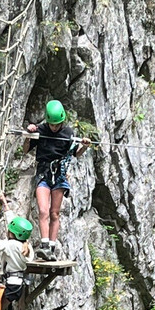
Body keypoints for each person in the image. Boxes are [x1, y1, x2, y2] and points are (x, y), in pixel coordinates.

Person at [23, 100, 89, 260]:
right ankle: (44, 246)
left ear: (62, 121)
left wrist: (85, 146)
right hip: (43, 173)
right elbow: (26, 150)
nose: (53, 128)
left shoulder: (68, 133)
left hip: (59, 174)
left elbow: (75, 154)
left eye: (57, 125)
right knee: (43, 210)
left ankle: (51, 248)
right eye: (52, 125)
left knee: (54, 213)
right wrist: (29, 135)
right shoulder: (41, 130)